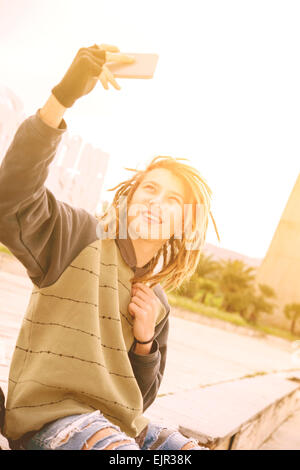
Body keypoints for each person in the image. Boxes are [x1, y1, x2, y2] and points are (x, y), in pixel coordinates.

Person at [0, 44, 220, 451]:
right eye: (150, 189)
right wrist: (60, 100)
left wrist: (144, 342)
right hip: (53, 423)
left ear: (185, 224)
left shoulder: (157, 303)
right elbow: (11, 201)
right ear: (129, 198)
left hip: (127, 428)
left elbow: (139, 398)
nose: (156, 201)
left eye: (174, 200)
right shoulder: (78, 235)